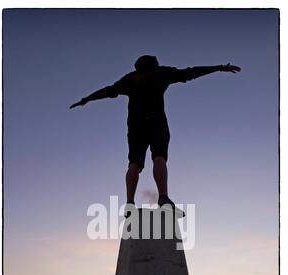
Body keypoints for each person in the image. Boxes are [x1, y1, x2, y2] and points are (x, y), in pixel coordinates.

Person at [70, 55, 241, 216]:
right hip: (157, 122)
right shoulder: (161, 73)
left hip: (136, 125)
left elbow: (108, 90)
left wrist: (86, 99)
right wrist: (219, 68)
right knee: (159, 157)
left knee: (134, 163)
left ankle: (130, 202)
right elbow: (189, 73)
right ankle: (163, 198)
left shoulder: (130, 78)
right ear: (154, 64)